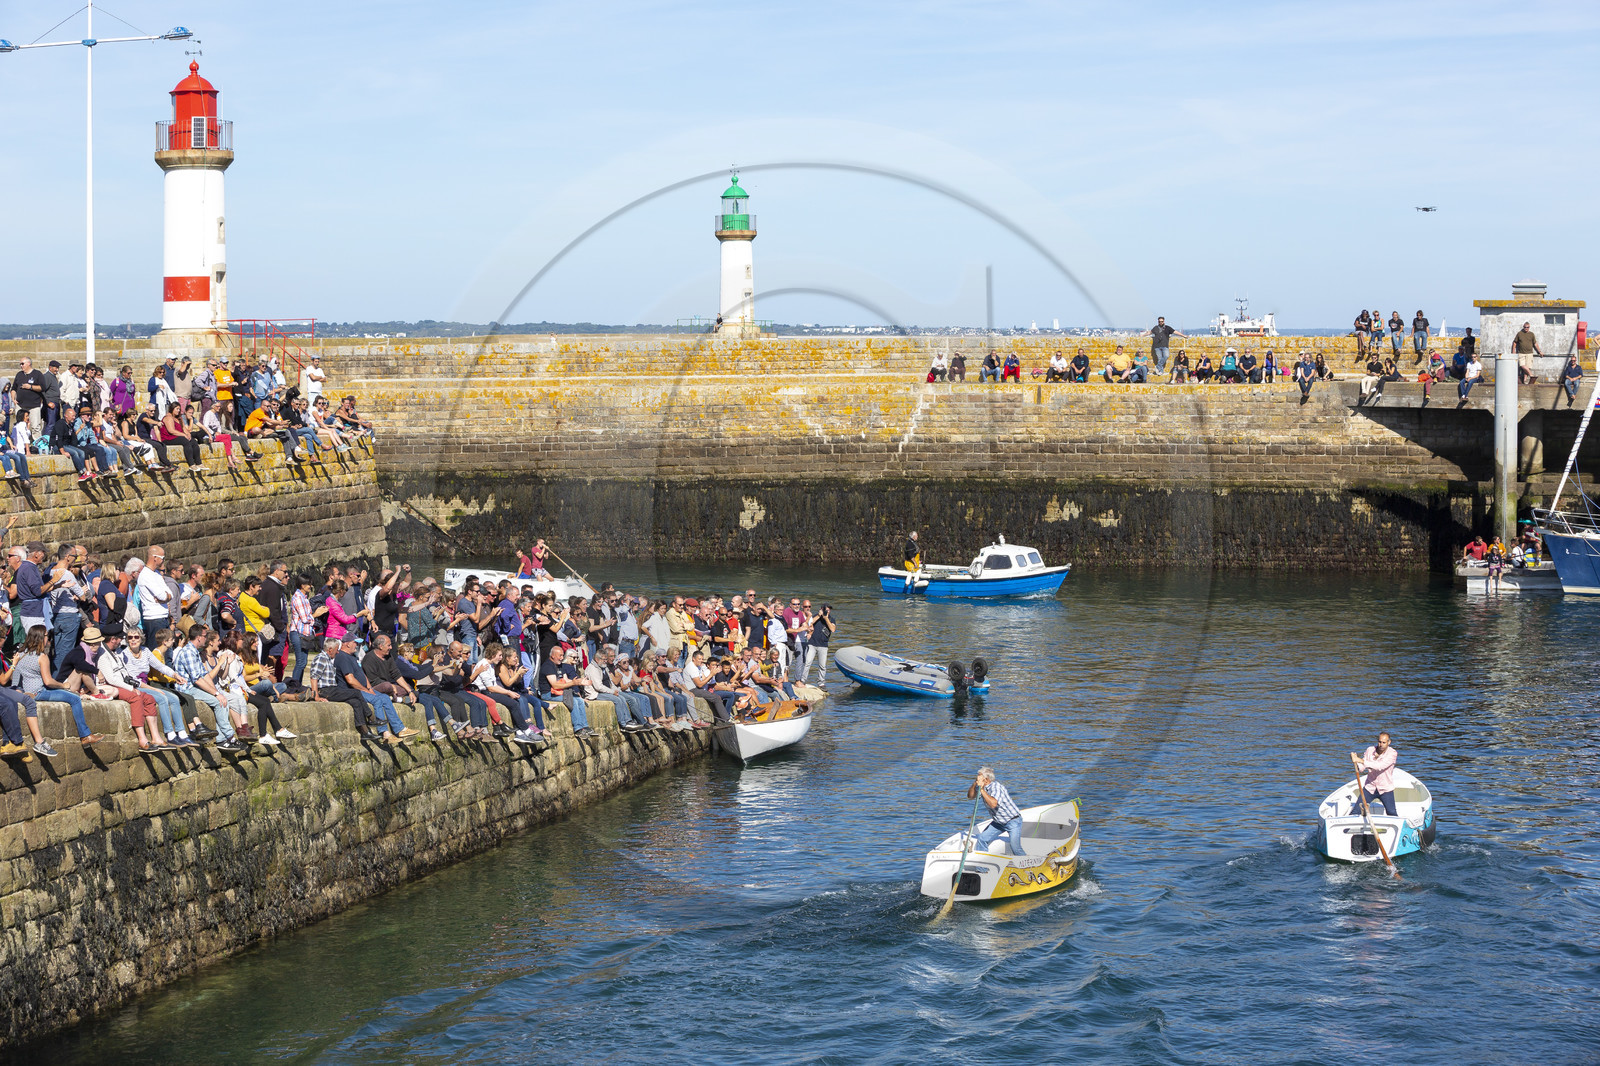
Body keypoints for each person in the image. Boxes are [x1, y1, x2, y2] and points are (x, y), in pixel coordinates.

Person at [967, 766, 1026, 856]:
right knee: (982, 839)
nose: (977, 778)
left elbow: (993, 804)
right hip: (998, 822)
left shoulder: (996, 787)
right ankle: (982, 869)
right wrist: (975, 784)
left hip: (1013, 821)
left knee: (1015, 848)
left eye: (979, 777)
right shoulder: (982, 787)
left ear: (986, 780)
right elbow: (970, 796)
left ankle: (1027, 867)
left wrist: (981, 789)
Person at [1350, 732, 1399, 818]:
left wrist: (1360, 760)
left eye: (1384, 742)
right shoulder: (1370, 750)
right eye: (1379, 742)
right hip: (1370, 787)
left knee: (1392, 812)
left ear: (1389, 742)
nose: (1381, 745)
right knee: (1356, 811)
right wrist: (1356, 762)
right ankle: (1347, 829)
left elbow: (1379, 766)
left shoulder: (1392, 753)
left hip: (1385, 789)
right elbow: (1362, 768)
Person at [803, 603, 834, 686]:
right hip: (812, 644)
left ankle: (821, 683)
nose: (827, 611)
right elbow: (809, 624)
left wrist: (826, 618)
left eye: (828, 610)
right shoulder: (816, 616)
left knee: (822, 666)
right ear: (821, 609)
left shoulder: (831, 619)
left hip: (823, 645)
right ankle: (803, 680)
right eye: (825, 609)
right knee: (807, 663)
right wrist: (818, 616)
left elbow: (833, 629)